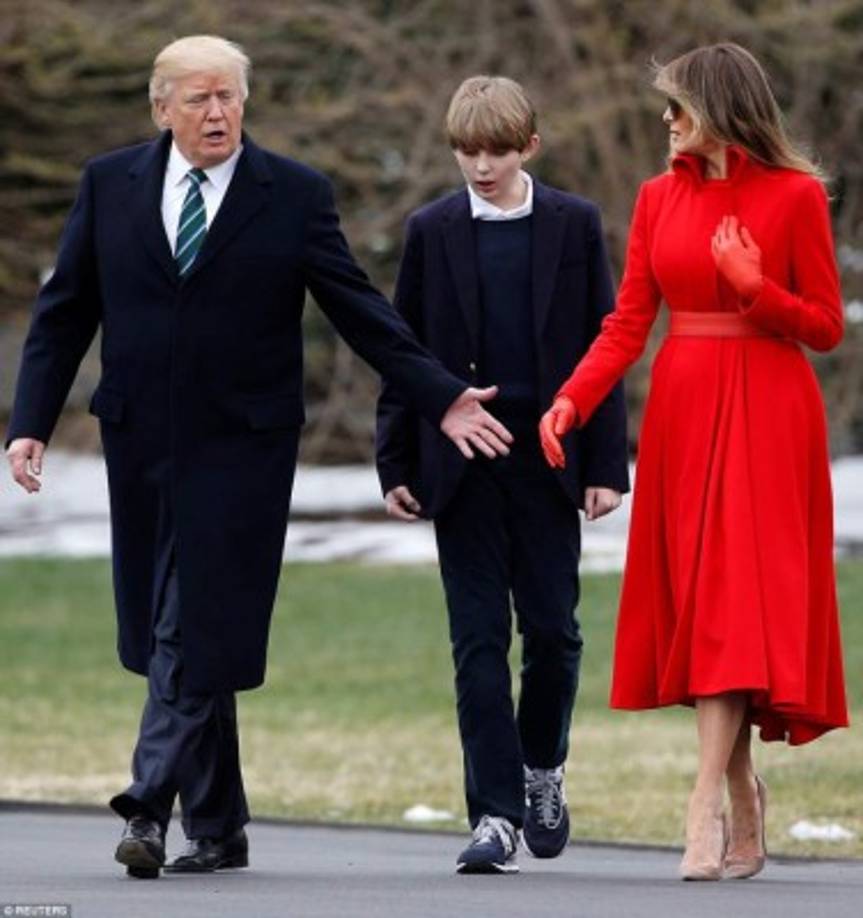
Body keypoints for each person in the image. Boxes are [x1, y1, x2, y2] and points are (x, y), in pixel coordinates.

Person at [4, 35, 515, 880]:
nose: (218, 113)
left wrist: (439, 394)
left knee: (189, 618)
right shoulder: (108, 183)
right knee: (170, 625)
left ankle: (146, 806)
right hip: (139, 442)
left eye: (230, 97)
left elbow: (358, 308)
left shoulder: (292, 194)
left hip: (243, 447)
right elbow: (65, 311)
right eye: (200, 99)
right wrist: (30, 422)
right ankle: (220, 824)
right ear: (161, 106)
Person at [539, 43, 849, 881]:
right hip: (684, 409)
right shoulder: (653, 199)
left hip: (771, 414)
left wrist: (755, 288)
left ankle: (701, 802)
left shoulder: (792, 197)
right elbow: (628, 321)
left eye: (676, 108)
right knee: (710, 607)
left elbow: (824, 325)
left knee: (736, 607)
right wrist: (572, 396)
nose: (665, 123)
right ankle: (743, 797)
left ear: (715, 109)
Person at [376, 75, 629, 874]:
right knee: (477, 641)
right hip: (460, 465)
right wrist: (396, 461)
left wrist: (604, 463)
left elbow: (606, 345)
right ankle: (492, 814)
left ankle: (541, 769)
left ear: (529, 146)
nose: (479, 166)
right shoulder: (432, 229)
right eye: (465, 152)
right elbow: (401, 351)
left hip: (550, 459)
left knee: (552, 633)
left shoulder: (573, 224)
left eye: (494, 151)